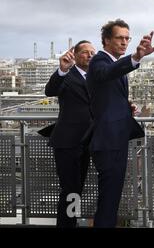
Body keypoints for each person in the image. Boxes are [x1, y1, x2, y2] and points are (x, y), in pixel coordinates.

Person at [86, 19, 154, 227]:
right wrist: (136, 57)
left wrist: (123, 106)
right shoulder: (99, 61)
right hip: (107, 141)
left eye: (127, 38)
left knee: (112, 198)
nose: (124, 42)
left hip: (114, 138)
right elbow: (104, 74)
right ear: (106, 40)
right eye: (119, 38)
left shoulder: (111, 62)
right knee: (109, 199)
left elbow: (105, 94)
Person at [42, 40, 96, 228]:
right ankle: (66, 225)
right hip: (67, 143)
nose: (90, 55)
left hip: (87, 142)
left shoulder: (95, 77)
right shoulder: (67, 75)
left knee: (77, 189)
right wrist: (62, 70)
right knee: (70, 190)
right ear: (75, 55)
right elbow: (50, 91)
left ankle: (68, 223)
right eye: (85, 52)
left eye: (92, 52)